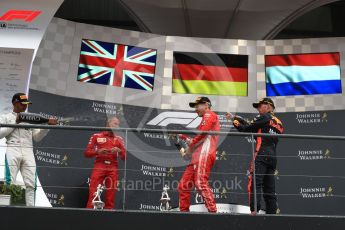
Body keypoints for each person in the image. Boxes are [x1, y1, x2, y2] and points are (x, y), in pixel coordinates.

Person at [226, 97, 283, 215]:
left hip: (261, 153)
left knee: (255, 184)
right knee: (269, 189)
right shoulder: (279, 122)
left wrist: (234, 121)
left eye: (260, 106)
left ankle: (254, 213)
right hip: (273, 157)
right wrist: (236, 118)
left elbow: (246, 129)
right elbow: (258, 129)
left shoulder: (264, 117)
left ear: (268, 106)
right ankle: (272, 216)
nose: (258, 109)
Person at [0, 93, 57, 206]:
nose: (25, 106)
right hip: (13, 148)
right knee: (9, 180)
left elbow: (37, 137)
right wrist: (15, 122)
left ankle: (31, 210)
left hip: (28, 150)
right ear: (15, 103)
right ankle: (6, 210)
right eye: (22, 104)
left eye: (26, 104)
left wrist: (47, 127)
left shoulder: (31, 118)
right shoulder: (5, 117)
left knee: (31, 183)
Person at [177, 97, 220, 213]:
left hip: (205, 153)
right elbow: (200, 138)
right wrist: (184, 138)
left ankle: (213, 213)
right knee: (183, 185)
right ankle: (184, 213)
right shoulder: (205, 119)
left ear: (206, 105)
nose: (196, 109)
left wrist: (189, 148)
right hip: (197, 156)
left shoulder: (209, 114)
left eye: (198, 106)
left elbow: (202, 134)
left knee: (200, 182)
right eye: (195, 107)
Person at [84, 117, 126, 209]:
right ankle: (87, 215)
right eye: (115, 124)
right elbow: (86, 153)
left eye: (118, 124)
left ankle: (108, 217)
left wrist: (119, 151)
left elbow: (125, 157)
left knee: (110, 196)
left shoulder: (119, 139)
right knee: (93, 193)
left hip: (113, 167)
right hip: (99, 165)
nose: (117, 126)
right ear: (108, 124)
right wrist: (98, 151)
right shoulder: (96, 136)